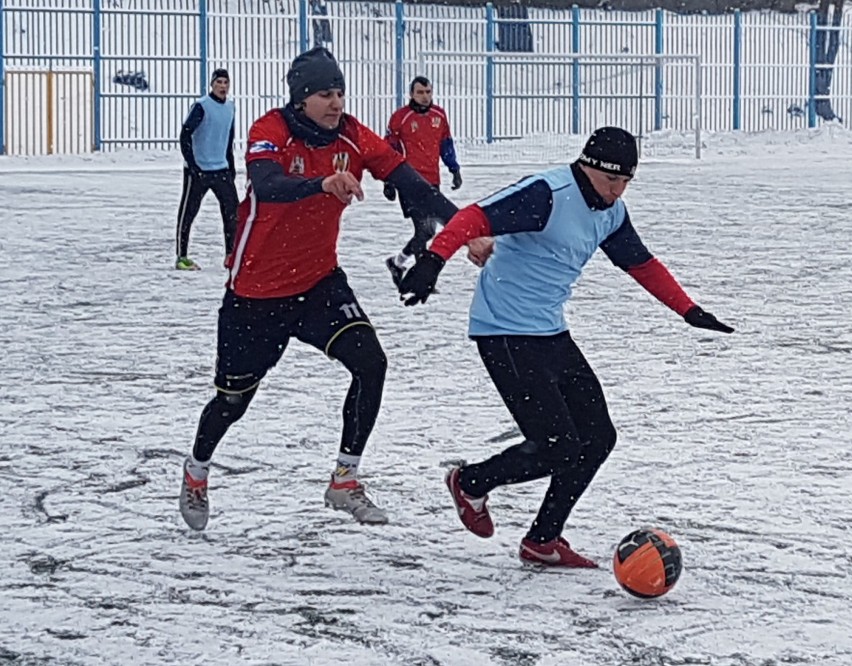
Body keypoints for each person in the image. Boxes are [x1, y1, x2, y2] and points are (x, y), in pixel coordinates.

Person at [398, 126, 734, 567]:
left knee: (597, 438)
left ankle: (543, 540)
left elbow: (641, 263)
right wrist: (432, 260)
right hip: (503, 331)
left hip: (549, 331)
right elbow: (475, 218)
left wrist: (688, 310)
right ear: (587, 166)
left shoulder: (610, 211)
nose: (616, 191)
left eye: (625, 182)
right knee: (556, 444)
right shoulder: (548, 194)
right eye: (610, 180)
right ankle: (470, 483)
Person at [178, 47, 457, 531]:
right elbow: (267, 185)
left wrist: (466, 228)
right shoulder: (272, 130)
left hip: (318, 283)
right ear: (300, 97)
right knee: (232, 402)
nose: (335, 103)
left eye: (340, 92)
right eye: (324, 94)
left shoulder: (353, 133)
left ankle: (344, 481)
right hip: (256, 295)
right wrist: (322, 183)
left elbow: (413, 184)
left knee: (371, 364)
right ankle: (197, 469)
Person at [383, 76, 462, 287]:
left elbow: (446, 144)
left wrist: (454, 169)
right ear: (411, 94)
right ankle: (422, 279)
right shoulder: (400, 118)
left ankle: (397, 263)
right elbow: (390, 150)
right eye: (420, 92)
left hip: (432, 181)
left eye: (428, 92)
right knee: (422, 229)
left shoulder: (439, 115)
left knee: (427, 231)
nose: (425, 96)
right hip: (408, 181)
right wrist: (389, 181)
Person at [175, 68, 239, 271]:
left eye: (225, 82)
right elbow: (185, 135)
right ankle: (182, 256)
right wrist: (192, 165)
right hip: (200, 170)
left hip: (221, 168)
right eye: (218, 82)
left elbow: (228, 138)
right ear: (212, 85)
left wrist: (230, 164)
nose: (222, 86)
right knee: (189, 212)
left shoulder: (230, 107)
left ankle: (231, 254)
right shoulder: (202, 106)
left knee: (232, 212)